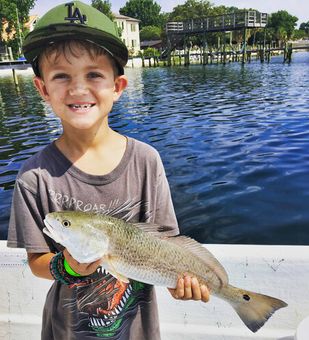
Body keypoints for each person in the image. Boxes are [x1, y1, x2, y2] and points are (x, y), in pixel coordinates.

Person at [7, 1, 209, 339]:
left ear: (117, 87)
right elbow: (37, 260)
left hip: (137, 330)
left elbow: (166, 243)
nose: (78, 89)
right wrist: (66, 265)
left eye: (94, 74)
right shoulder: (33, 177)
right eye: (61, 76)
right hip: (66, 331)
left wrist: (180, 281)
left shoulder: (146, 160)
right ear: (43, 89)